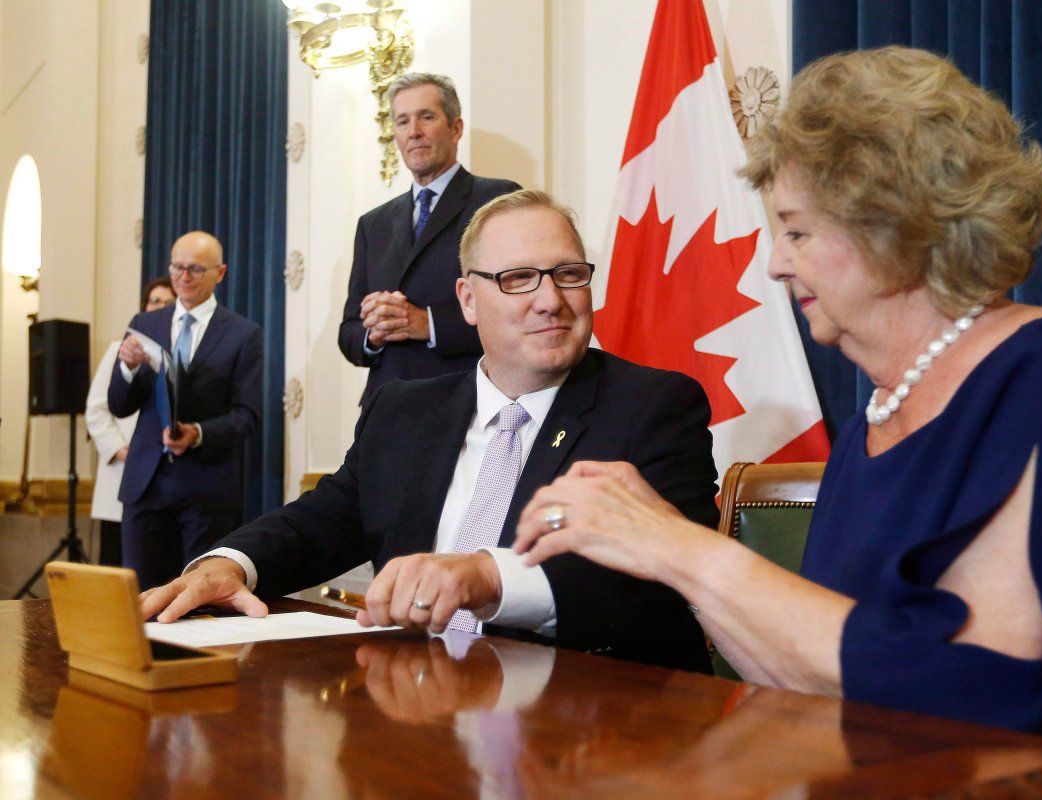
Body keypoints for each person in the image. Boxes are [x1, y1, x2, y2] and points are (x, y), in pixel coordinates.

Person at [512, 47, 1042, 768]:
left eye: (798, 230)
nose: (776, 262)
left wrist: (680, 546)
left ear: (897, 223)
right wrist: (663, 559)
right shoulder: (874, 418)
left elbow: (986, 691)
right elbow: (814, 677)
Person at [141, 190, 716, 673]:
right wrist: (230, 564)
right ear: (468, 300)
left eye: (569, 274)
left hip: (596, 729)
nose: (551, 300)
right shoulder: (404, 411)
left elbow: (662, 579)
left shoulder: (654, 406)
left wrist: (488, 576)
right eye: (519, 278)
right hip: (417, 711)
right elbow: (321, 523)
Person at [338, 72, 521, 402]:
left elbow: (516, 308)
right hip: (386, 408)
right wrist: (374, 334)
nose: (414, 132)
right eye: (403, 121)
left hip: (466, 399)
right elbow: (349, 333)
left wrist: (428, 323)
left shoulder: (498, 200)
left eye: (426, 117)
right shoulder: (372, 223)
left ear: (456, 128)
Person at [109, 231, 264, 590]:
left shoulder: (244, 334)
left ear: (220, 273)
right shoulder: (145, 323)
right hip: (146, 483)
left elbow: (248, 416)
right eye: (177, 267)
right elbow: (119, 405)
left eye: (195, 269)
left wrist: (198, 434)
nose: (183, 277)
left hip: (206, 489)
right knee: (141, 598)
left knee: (198, 601)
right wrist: (128, 368)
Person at [85, 276, 176, 566]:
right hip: (123, 470)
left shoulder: (179, 352)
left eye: (168, 302)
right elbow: (97, 410)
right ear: (144, 306)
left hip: (165, 477)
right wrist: (124, 452)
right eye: (155, 301)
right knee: (117, 563)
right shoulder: (118, 349)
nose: (160, 307)